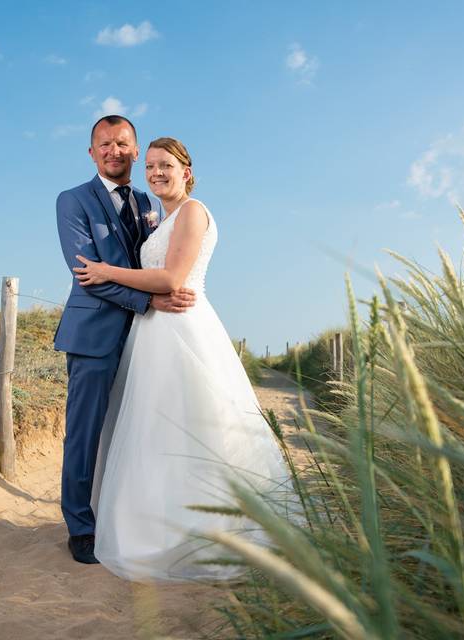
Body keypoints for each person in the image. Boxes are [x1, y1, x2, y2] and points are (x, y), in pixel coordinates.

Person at [73, 137, 294, 581]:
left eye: (166, 165)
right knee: (157, 429)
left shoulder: (193, 212)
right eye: (151, 166)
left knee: (194, 425)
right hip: (154, 331)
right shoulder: (162, 221)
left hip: (185, 329)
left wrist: (106, 270)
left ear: (186, 171)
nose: (156, 172)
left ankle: (205, 528)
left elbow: (173, 277)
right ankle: (161, 520)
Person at [54, 116, 197, 565]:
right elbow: (87, 274)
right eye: (104, 144)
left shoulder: (147, 200)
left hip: (145, 340)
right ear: (92, 152)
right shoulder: (72, 201)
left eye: (122, 143)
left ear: (135, 151)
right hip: (94, 334)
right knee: (85, 433)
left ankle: (126, 515)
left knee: (134, 430)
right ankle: (80, 525)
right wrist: (150, 302)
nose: (113, 151)